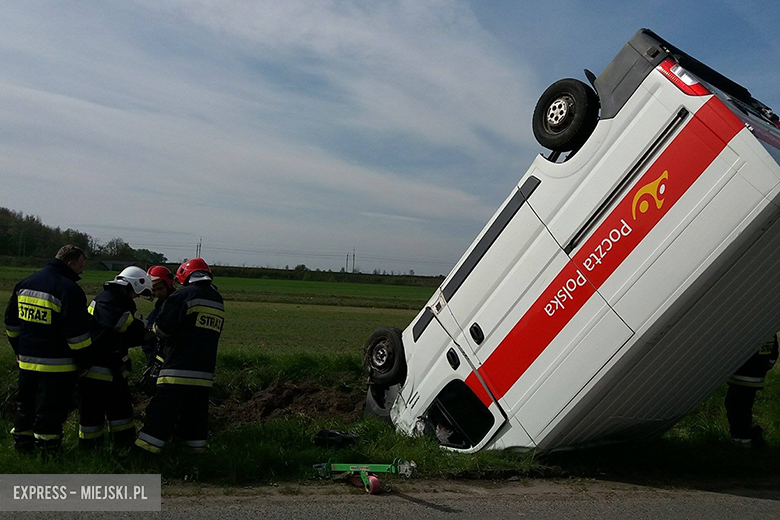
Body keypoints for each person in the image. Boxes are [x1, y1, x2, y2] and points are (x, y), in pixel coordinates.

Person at [3, 245, 93, 453]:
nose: (82, 270)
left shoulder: (25, 283)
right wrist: (84, 362)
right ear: (70, 263)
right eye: (81, 265)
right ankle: (48, 451)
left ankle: (22, 448)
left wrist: (19, 349)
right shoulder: (69, 290)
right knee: (50, 411)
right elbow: (77, 336)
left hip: (26, 362)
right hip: (57, 366)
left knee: (25, 407)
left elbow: (11, 324)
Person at [135, 258, 224, 454]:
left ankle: (144, 454)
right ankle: (194, 456)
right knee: (195, 418)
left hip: (177, 370)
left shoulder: (183, 295)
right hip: (204, 373)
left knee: (161, 413)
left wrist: (152, 328)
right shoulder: (218, 300)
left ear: (184, 275)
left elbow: (163, 329)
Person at [78, 266, 152, 446]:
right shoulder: (108, 300)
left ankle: (123, 445)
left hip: (111, 366)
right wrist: (143, 329)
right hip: (98, 367)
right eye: (138, 293)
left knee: (121, 410)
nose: (136, 297)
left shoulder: (115, 299)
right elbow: (121, 324)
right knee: (92, 413)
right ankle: (91, 450)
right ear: (134, 285)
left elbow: (120, 336)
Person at [725, 334, 779, 447]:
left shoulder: (750, 329)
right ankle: (752, 431)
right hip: (756, 378)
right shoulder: (770, 332)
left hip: (741, 376)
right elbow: (773, 356)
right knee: (744, 407)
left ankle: (742, 439)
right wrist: (764, 367)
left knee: (735, 406)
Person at [139, 265, 176, 394]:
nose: (157, 293)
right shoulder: (159, 307)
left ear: (169, 284)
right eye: (154, 290)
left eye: (160, 289)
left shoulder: (175, 304)